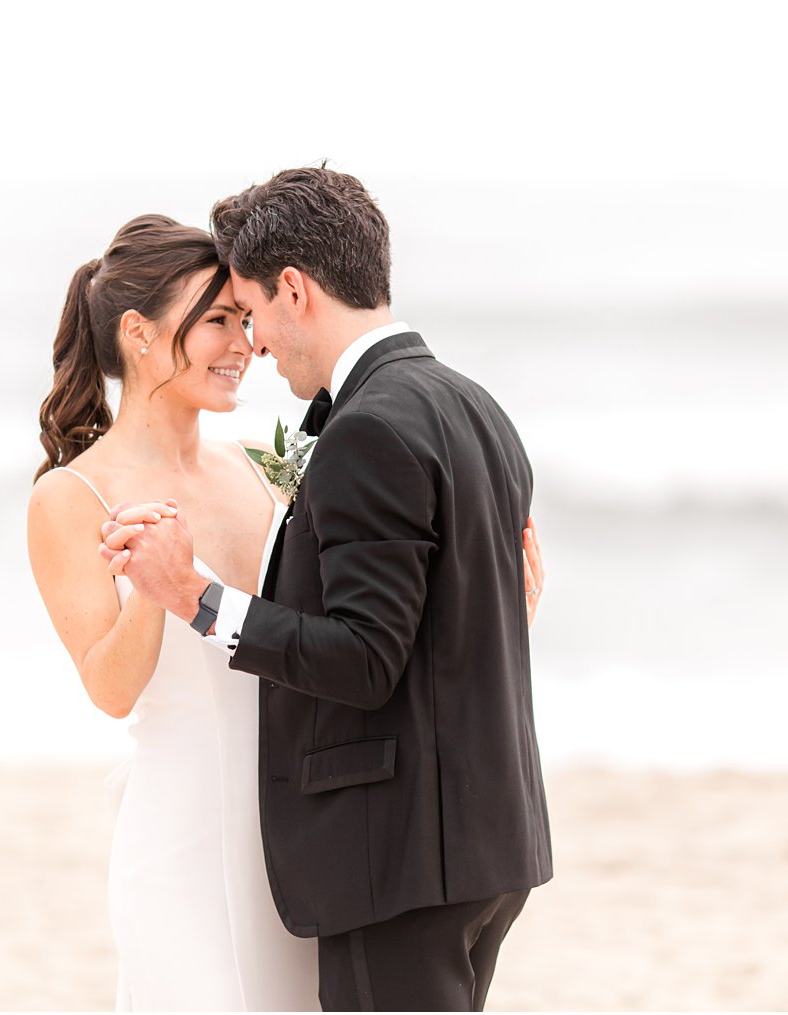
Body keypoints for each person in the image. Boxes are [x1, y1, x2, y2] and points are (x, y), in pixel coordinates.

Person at [28, 212, 549, 1010]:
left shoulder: (258, 467)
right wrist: (155, 593)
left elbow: (346, 633)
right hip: (187, 831)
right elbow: (109, 689)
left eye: (245, 318)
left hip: (305, 827)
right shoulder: (71, 495)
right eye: (218, 322)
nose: (245, 344)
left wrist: (486, 612)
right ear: (138, 333)